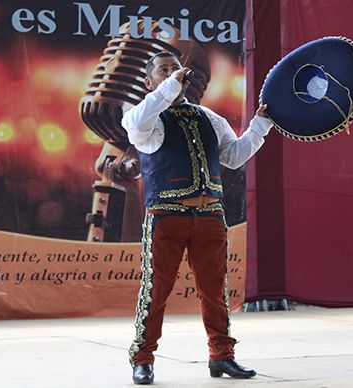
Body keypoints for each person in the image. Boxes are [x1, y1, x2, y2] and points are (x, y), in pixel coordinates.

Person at [122, 51, 272, 385]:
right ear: (150, 82)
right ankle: (143, 358)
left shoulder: (208, 116)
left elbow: (233, 157)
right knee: (156, 290)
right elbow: (132, 125)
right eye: (164, 70)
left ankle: (222, 356)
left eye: (176, 68)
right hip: (166, 216)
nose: (174, 73)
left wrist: (260, 125)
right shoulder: (146, 118)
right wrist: (166, 91)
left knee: (215, 291)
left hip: (209, 215)